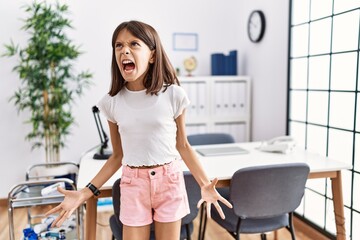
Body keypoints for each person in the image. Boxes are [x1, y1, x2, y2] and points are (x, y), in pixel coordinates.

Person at [46, 20, 232, 240]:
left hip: (169, 181)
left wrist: (204, 184)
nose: (124, 50)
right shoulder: (111, 103)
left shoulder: (173, 95)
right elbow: (117, 156)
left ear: (152, 55)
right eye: (118, 45)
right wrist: (85, 193)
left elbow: (183, 145)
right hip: (134, 184)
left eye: (134, 44)